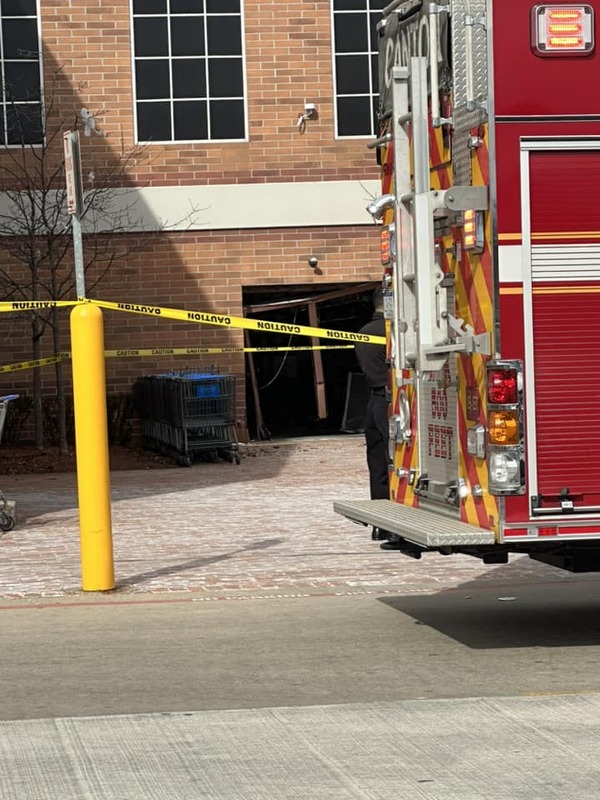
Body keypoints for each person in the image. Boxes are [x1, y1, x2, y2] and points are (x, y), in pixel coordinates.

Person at [354, 288, 414, 552]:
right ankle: (400, 523)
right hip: (394, 401)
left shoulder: (364, 331)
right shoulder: (394, 333)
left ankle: (381, 524)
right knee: (398, 462)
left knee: (377, 462)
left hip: (373, 401)